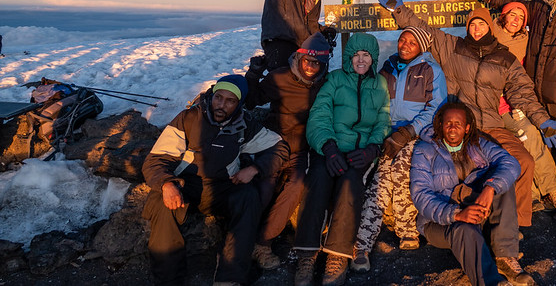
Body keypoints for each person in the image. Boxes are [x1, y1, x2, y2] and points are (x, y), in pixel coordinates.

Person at [379, 0, 556, 230]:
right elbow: (426, 32)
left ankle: (512, 225)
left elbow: (522, 92)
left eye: (482, 24)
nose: (476, 29)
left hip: (492, 124)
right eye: (473, 24)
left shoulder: (505, 58)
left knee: (523, 160)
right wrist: (399, 10)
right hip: (460, 125)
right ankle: (466, 217)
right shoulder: (453, 47)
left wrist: (543, 120)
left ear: (490, 28)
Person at [459, 0, 556, 219]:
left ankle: (554, 191)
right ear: (501, 19)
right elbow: (509, 4)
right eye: (509, 15)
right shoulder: (489, 38)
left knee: (532, 138)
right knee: (520, 145)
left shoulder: (526, 39)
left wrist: (521, 107)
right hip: (489, 109)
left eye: (519, 16)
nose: (514, 18)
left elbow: (517, 81)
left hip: (516, 105)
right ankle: (535, 195)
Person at [142, 75, 288, 286]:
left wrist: (255, 168)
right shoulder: (188, 119)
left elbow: (279, 147)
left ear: (239, 104)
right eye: (218, 97)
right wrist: (166, 183)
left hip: (223, 187)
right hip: (186, 186)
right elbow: (156, 158)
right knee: (160, 203)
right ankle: (169, 279)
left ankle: (229, 277)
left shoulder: (245, 124)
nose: (222, 105)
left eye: (230, 101)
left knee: (249, 196)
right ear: (211, 96)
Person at [293, 33, 391, 286]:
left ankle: (337, 256)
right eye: (355, 55)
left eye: (366, 55)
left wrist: (373, 148)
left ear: (373, 58)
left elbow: (383, 119)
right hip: (330, 148)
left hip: (360, 153)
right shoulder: (334, 80)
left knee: (350, 186)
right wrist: (328, 147)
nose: (360, 60)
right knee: (317, 182)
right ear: (348, 57)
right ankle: (306, 253)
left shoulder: (379, 84)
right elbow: (320, 114)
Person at [351, 26, 447, 272]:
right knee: (381, 180)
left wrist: (408, 132)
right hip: (387, 132)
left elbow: (436, 108)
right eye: (402, 40)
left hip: (416, 133)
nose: (404, 45)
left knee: (402, 168)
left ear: (422, 47)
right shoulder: (388, 67)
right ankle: (362, 245)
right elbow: (378, 102)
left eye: (412, 42)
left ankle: (406, 229)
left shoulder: (431, 70)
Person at [410, 102, 534, 286]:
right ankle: (492, 282)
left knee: (501, 183)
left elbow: (511, 163)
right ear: (440, 125)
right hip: (440, 222)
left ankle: (504, 257)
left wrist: (490, 188)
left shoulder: (478, 145)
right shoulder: (424, 150)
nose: (452, 128)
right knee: (464, 229)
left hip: (476, 210)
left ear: (467, 128)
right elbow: (421, 196)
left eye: (458, 124)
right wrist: (457, 214)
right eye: (448, 123)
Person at [245, 32, 332, 271]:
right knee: (264, 185)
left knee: (296, 186)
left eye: (317, 63)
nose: (311, 67)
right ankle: (240, 241)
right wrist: (254, 74)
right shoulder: (279, 77)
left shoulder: (325, 84)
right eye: (308, 60)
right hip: (273, 143)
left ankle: (262, 244)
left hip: (301, 149)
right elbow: (251, 101)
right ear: (300, 57)